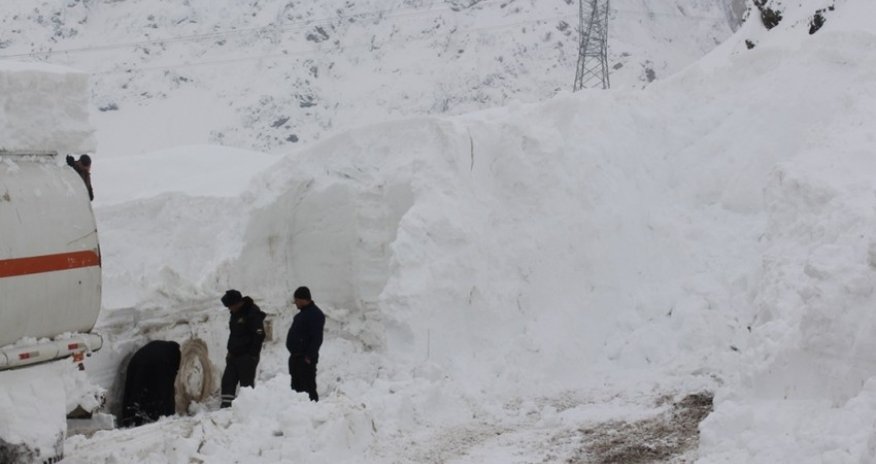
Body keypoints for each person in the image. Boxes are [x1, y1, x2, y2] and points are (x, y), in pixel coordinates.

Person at [220, 289, 266, 408]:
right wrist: (230, 351)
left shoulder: (252, 312)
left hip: (246, 356)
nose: (229, 309)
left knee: (246, 386)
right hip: (233, 355)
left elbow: (260, 333)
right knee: (227, 381)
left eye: (230, 306)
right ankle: (226, 407)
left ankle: (246, 410)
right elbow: (234, 335)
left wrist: (252, 354)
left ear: (237, 303)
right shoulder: (235, 314)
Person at [120, 340, 181, 427]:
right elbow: (167, 390)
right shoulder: (173, 358)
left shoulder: (165, 348)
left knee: (133, 389)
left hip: (136, 359)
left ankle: (129, 419)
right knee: (160, 394)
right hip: (154, 362)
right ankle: (149, 418)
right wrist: (169, 414)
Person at [286, 286, 325, 402]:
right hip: (296, 358)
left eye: (296, 300)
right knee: (296, 390)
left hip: (305, 360)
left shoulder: (315, 315)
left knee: (308, 388)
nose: (295, 303)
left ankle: (313, 409)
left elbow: (317, 339)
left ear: (303, 299)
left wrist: (308, 356)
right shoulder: (301, 315)